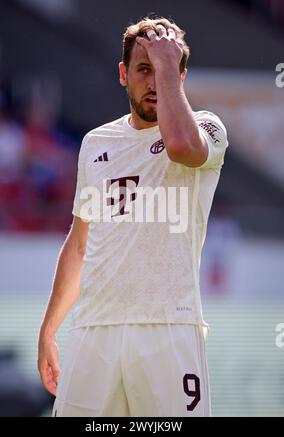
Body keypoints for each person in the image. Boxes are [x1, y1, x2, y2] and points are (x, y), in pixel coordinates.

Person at [38, 16, 229, 417]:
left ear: (181, 76)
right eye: (144, 69)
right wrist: (50, 328)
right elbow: (79, 243)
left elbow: (179, 146)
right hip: (94, 332)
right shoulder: (95, 143)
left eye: (167, 70)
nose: (155, 82)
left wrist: (164, 64)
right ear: (124, 74)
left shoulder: (206, 128)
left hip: (168, 331)